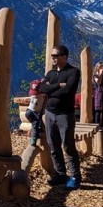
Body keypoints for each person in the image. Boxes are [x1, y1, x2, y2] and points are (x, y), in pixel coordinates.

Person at [38, 44, 81, 189]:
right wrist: (58, 86)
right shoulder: (50, 73)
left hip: (65, 114)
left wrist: (51, 89)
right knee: (53, 145)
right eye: (52, 56)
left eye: (55, 56)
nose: (52, 58)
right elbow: (41, 88)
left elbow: (68, 91)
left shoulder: (73, 72)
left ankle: (75, 176)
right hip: (50, 113)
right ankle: (61, 174)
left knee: (68, 146)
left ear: (64, 57)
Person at [25, 78, 46, 147]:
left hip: (29, 111)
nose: (33, 95)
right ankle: (33, 141)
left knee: (35, 125)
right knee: (35, 125)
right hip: (34, 112)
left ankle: (34, 138)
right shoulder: (43, 95)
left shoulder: (38, 95)